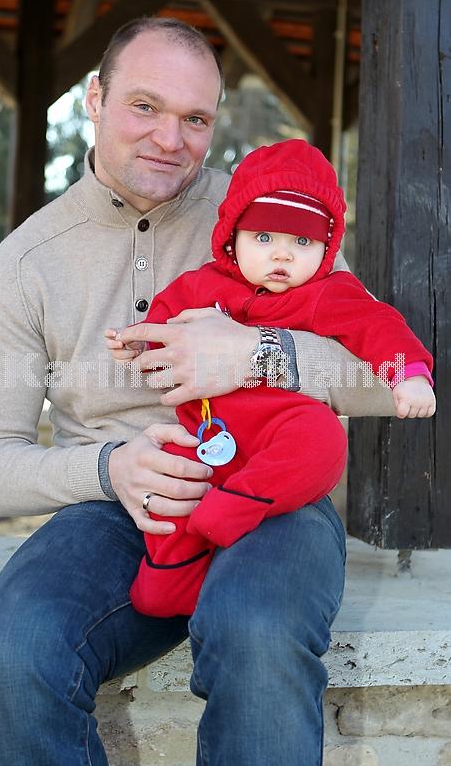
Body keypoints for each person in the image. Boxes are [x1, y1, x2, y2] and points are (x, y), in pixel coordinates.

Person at [0, 17, 397, 766]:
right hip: (117, 515)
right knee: (14, 648)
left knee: (257, 629)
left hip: (273, 498)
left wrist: (258, 353)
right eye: (145, 106)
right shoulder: (23, 263)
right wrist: (111, 468)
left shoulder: (275, 219)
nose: (170, 138)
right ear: (94, 98)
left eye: (195, 118)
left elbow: (390, 382)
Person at [106, 138, 435, 618]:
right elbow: (164, 324)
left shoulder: (328, 293)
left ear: (326, 247)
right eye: (264, 238)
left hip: (279, 429)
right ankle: (167, 584)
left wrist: (408, 374)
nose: (282, 256)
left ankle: (232, 509)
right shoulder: (201, 285)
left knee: (322, 439)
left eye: (301, 243)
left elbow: (379, 327)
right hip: (203, 432)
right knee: (171, 480)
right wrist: (137, 344)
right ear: (231, 237)